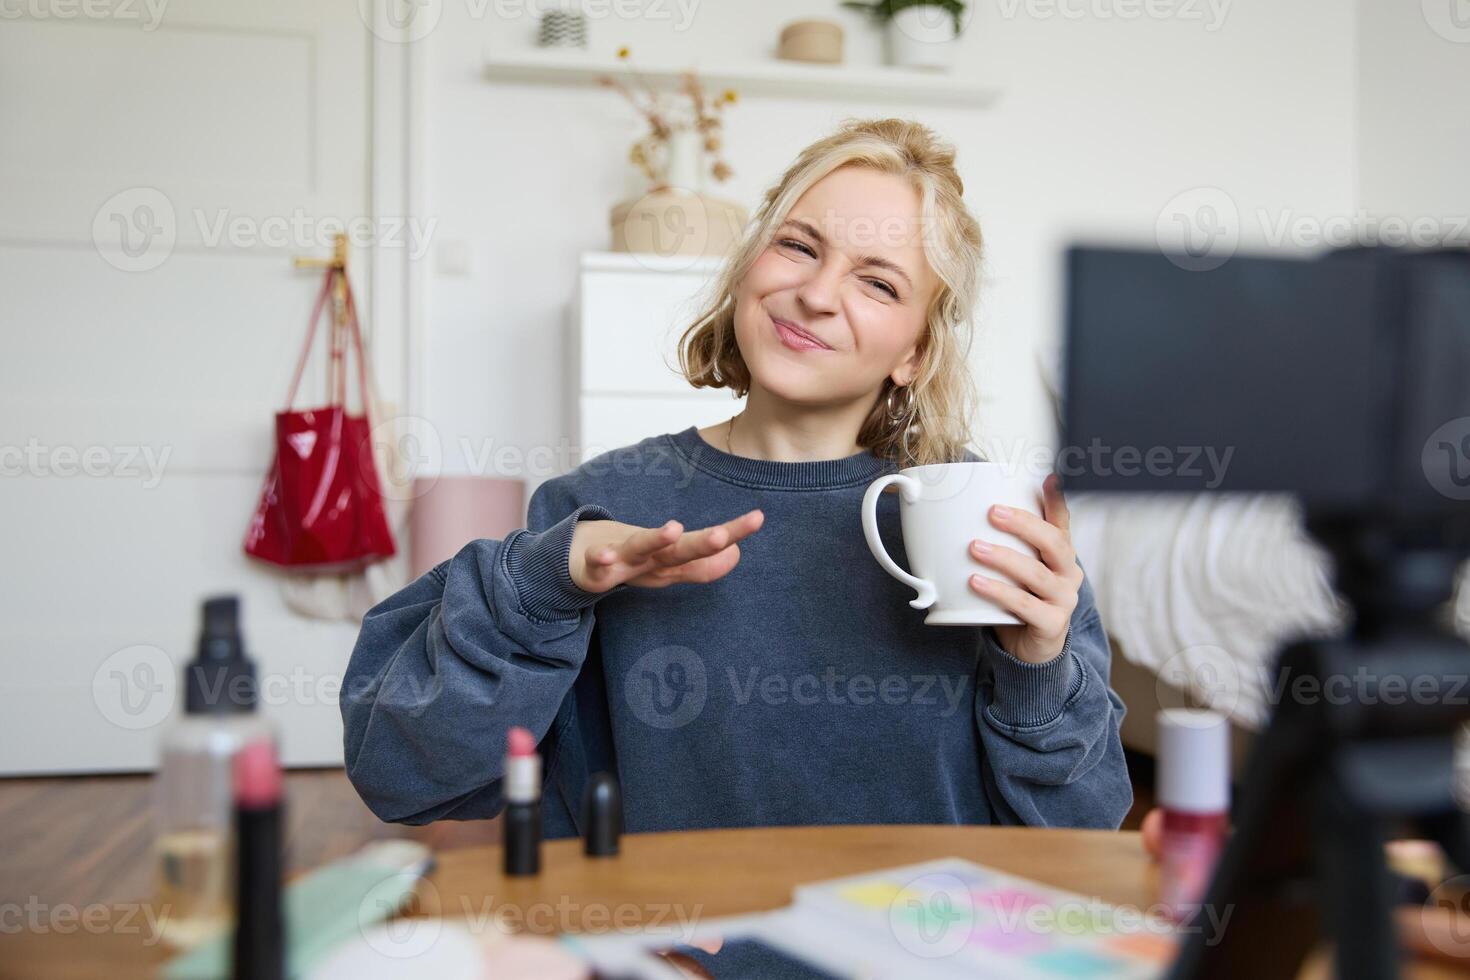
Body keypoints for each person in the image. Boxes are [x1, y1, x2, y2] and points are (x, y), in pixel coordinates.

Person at [340, 117, 1132, 841]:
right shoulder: (600, 509)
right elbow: (401, 776)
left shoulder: (983, 525)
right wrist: (552, 577)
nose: (817, 296)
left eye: (879, 282)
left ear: (914, 353)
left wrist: (1037, 666)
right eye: (799, 246)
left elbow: (1081, 835)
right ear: (751, 260)